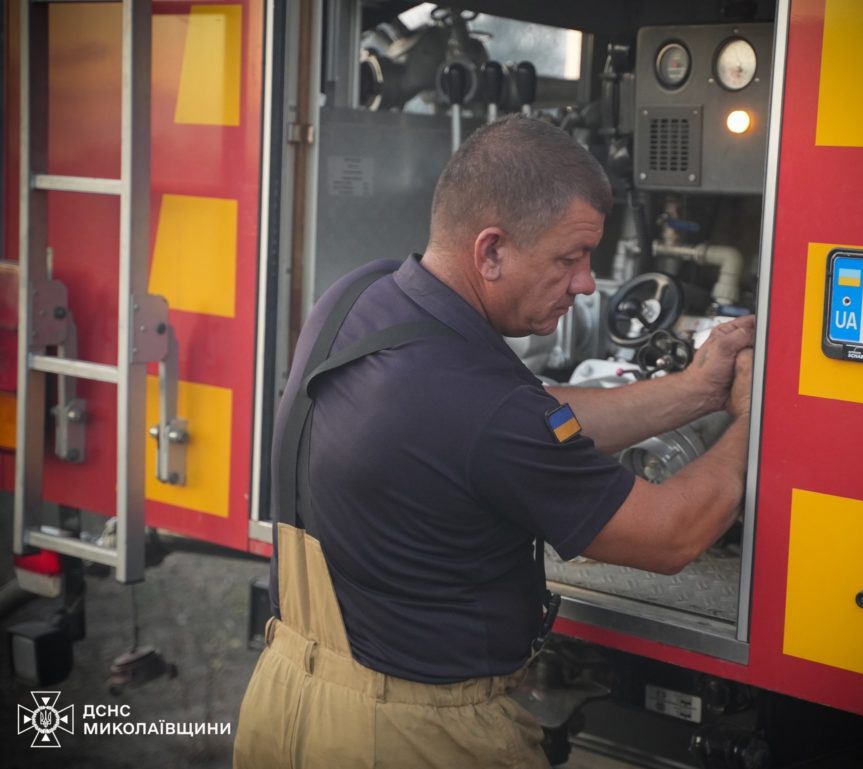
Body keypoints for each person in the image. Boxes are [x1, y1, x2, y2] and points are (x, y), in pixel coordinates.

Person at [234, 114, 755, 769]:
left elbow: (534, 417)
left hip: (287, 700)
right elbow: (671, 533)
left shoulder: (360, 296)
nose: (587, 283)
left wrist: (696, 391)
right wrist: (750, 426)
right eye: (569, 258)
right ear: (490, 251)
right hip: (413, 739)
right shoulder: (480, 404)